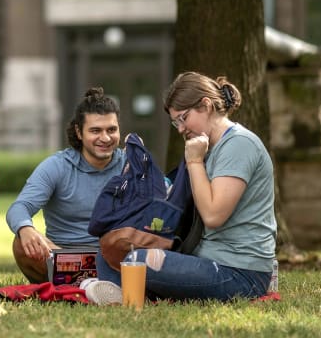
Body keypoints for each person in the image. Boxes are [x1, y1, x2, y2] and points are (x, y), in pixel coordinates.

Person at [93, 72, 277, 302]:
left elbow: (213, 215)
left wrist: (194, 161)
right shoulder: (206, 146)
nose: (180, 129)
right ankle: (124, 292)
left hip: (239, 273)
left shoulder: (239, 145)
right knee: (112, 250)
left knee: (136, 262)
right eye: (175, 122)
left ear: (206, 105)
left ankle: (124, 293)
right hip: (203, 260)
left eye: (183, 118)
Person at [6, 87, 124, 283]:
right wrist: (26, 229)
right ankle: (86, 283)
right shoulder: (56, 166)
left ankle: (87, 284)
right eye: (95, 130)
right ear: (79, 132)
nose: (105, 138)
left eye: (111, 130)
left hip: (113, 259)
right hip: (63, 259)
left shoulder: (131, 165)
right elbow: (19, 207)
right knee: (21, 243)